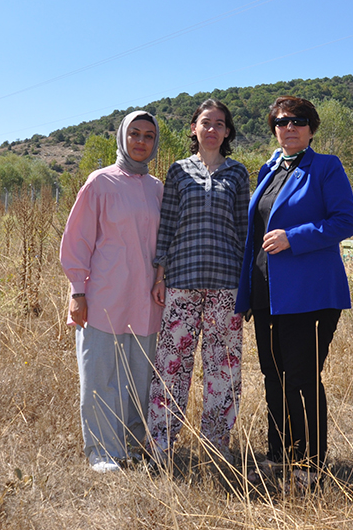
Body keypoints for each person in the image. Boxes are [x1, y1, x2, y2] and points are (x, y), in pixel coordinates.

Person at [235, 95, 353, 490]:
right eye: (282, 121)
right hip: (267, 292)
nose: (290, 127)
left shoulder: (325, 167)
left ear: (311, 128)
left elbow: (345, 221)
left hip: (310, 294)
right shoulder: (269, 170)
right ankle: (279, 455)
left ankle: (309, 466)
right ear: (274, 128)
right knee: (273, 375)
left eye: (299, 121)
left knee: (302, 378)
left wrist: (294, 237)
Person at [59, 110, 164, 474]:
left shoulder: (157, 188)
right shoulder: (100, 182)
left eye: (148, 135)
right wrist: (77, 291)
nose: (141, 141)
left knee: (139, 379)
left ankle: (134, 445)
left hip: (145, 300)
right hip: (103, 296)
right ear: (121, 137)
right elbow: (77, 240)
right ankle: (102, 451)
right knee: (99, 375)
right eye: (134, 133)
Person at [146, 99, 250, 464]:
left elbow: (244, 231)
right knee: (171, 366)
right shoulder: (178, 171)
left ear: (227, 132)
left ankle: (216, 447)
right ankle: (160, 445)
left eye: (220, 124)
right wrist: (160, 275)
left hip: (226, 285)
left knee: (223, 368)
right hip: (181, 282)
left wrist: (247, 284)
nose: (212, 129)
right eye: (206, 122)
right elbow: (167, 226)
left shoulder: (237, 173)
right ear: (194, 128)